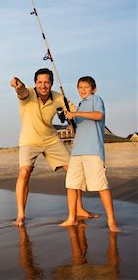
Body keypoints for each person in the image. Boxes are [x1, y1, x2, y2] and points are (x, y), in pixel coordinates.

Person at [10, 68, 93, 227]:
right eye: (40, 82)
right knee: (24, 172)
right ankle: (21, 214)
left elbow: (76, 110)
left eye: (46, 82)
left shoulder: (58, 97)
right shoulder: (28, 93)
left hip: (51, 139)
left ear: (51, 83)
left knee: (73, 170)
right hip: (29, 140)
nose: (43, 85)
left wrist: (92, 114)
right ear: (35, 83)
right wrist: (17, 85)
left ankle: (80, 209)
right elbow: (21, 92)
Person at [59, 76, 120, 232]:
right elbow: (79, 129)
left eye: (86, 87)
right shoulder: (79, 105)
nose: (83, 90)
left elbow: (99, 115)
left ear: (94, 89)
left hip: (93, 151)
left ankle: (112, 221)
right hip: (77, 152)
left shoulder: (96, 99)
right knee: (71, 184)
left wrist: (76, 114)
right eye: (80, 87)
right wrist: (71, 117)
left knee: (101, 185)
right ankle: (72, 218)